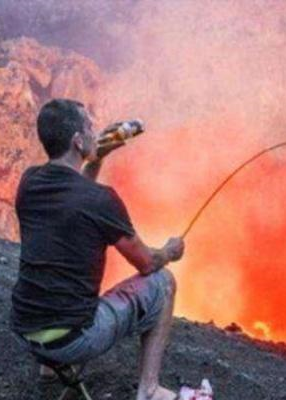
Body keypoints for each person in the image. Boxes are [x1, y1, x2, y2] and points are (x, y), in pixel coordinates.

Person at [10, 98, 184, 400]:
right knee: (163, 282)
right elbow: (145, 263)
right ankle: (150, 390)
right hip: (73, 339)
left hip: (26, 330)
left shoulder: (29, 182)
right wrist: (170, 250)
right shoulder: (101, 199)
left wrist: (97, 158)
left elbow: (72, 202)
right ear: (78, 141)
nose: (95, 130)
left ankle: (49, 370)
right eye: (89, 126)